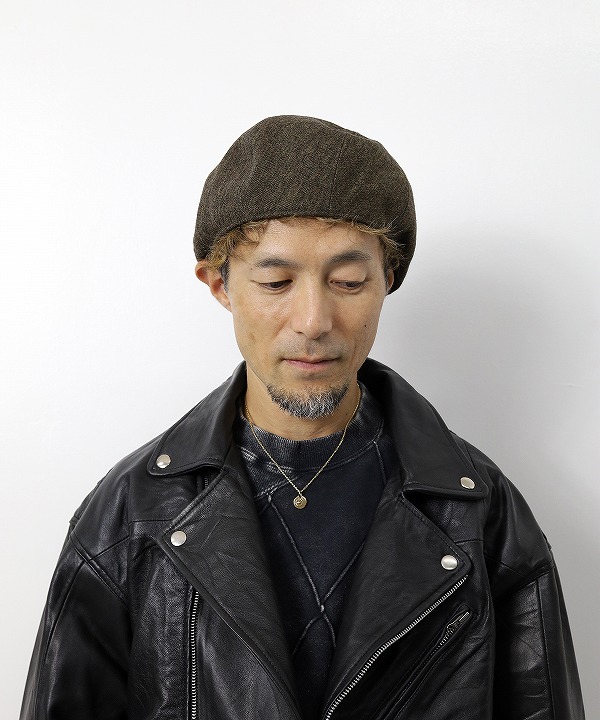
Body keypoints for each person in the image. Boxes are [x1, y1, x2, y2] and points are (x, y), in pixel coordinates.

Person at [20, 115, 585, 720]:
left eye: (348, 281)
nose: (313, 321)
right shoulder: (131, 514)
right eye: (275, 281)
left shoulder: (480, 512)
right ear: (218, 285)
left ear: (387, 280)